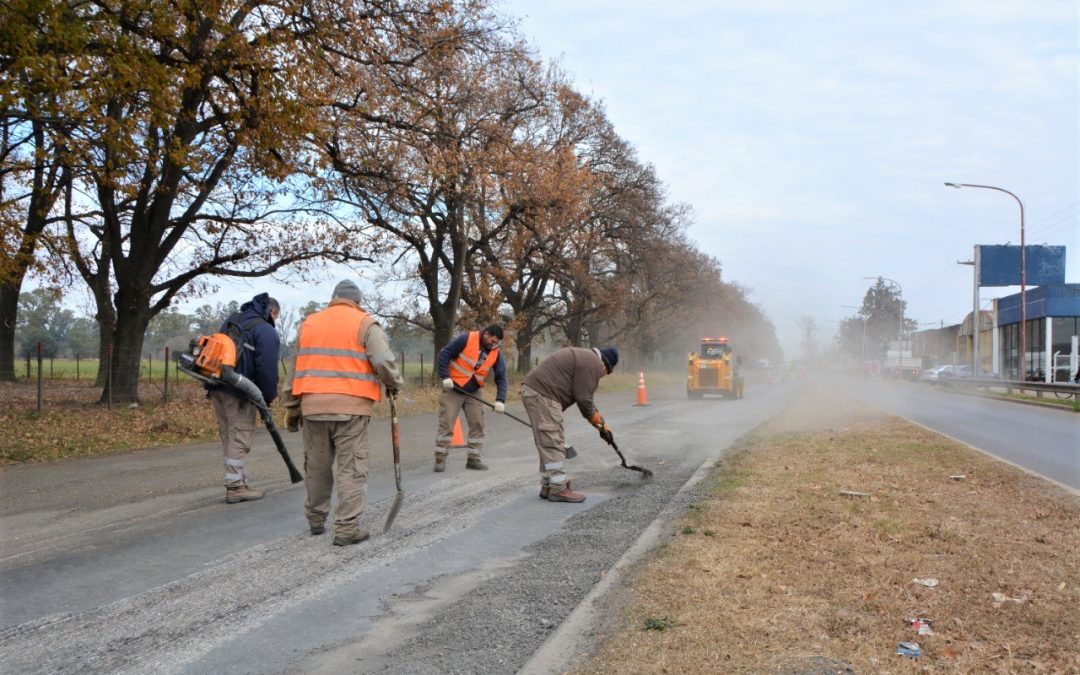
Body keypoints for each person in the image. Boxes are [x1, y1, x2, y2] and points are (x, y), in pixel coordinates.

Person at [282, 280, 404, 546]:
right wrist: (393, 384)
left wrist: (291, 406)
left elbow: (294, 370)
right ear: (357, 301)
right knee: (351, 468)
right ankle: (347, 528)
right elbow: (383, 361)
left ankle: (316, 520)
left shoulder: (309, 324)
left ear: (333, 298)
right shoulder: (364, 323)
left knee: (317, 466)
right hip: (351, 409)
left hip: (312, 408)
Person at [520, 346, 618, 503]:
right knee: (552, 441)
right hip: (544, 395)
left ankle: (549, 485)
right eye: (605, 374)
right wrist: (597, 424)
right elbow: (584, 399)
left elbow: (586, 398)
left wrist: (602, 424)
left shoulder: (586, 357)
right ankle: (558, 488)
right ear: (606, 366)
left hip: (537, 392)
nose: (601, 376)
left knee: (548, 440)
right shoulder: (594, 364)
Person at [210, 292, 281, 504]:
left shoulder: (234, 319)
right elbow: (267, 369)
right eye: (276, 317)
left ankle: (239, 480)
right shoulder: (265, 330)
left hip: (217, 386)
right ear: (273, 312)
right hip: (240, 392)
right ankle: (235, 488)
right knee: (240, 437)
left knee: (229, 436)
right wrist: (267, 398)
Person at [434, 325, 508, 472]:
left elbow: (501, 377)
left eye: (497, 342)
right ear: (486, 334)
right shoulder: (466, 338)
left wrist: (500, 400)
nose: (494, 344)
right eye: (492, 341)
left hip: (474, 391)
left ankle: (473, 459)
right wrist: (445, 376)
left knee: (477, 424)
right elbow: (444, 354)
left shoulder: (496, 352)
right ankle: (440, 459)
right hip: (453, 388)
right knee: (447, 423)